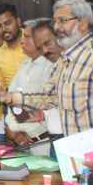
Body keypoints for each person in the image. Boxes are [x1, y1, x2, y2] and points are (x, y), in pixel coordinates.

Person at [14, 0, 93, 172]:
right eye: (55, 21)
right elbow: (53, 98)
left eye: (63, 20)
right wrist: (15, 98)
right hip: (74, 157)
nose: (57, 27)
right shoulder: (68, 59)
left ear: (83, 23)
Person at [2, 19, 55, 154]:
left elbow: (49, 104)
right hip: (20, 140)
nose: (22, 41)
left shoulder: (51, 66)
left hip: (42, 141)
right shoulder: (25, 64)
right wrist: (15, 131)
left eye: (27, 37)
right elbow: (12, 100)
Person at [0, 3, 28, 142]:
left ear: (18, 21)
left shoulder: (34, 42)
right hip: (16, 122)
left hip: (43, 118)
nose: (4, 29)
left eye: (8, 23)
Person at [31, 19, 65, 151]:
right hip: (54, 137)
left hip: (71, 138)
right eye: (39, 48)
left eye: (47, 43)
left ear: (59, 37)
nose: (45, 51)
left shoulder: (74, 64)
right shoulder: (55, 66)